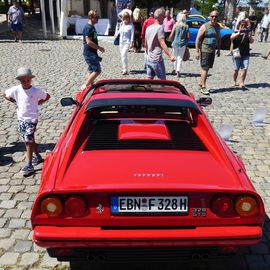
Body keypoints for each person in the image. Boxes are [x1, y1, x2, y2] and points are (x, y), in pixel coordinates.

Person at [3, 67, 50, 176]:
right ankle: (37, 157)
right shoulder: (16, 89)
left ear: (31, 79)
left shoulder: (36, 91)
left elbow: (47, 96)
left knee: (28, 141)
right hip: (21, 119)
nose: (25, 82)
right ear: (20, 81)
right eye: (23, 81)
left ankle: (29, 165)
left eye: (27, 80)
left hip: (32, 119)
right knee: (28, 139)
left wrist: (40, 102)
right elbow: (5, 94)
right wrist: (14, 101)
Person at [145, 8, 176, 80]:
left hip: (148, 58)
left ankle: (148, 91)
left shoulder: (148, 28)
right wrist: (170, 55)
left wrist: (147, 55)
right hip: (157, 59)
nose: (164, 18)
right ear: (159, 17)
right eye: (163, 16)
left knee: (149, 80)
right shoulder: (160, 28)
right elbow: (162, 43)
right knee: (162, 81)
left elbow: (146, 44)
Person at [195, 10, 221, 95]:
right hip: (205, 49)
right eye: (212, 16)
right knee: (205, 68)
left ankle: (200, 82)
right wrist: (197, 51)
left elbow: (218, 38)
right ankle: (203, 86)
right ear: (209, 17)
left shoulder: (217, 26)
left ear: (218, 18)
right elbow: (198, 39)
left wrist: (219, 49)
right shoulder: (204, 26)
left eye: (215, 16)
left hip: (212, 50)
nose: (214, 18)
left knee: (207, 67)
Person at [82, 10, 105, 89]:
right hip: (89, 53)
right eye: (96, 17)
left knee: (91, 70)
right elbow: (88, 42)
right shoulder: (88, 28)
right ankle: (85, 86)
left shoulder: (91, 27)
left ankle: (90, 86)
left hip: (91, 53)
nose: (98, 19)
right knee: (97, 70)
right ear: (91, 18)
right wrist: (99, 48)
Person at [230, 20, 254, 89]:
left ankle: (242, 82)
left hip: (245, 53)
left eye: (245, 25)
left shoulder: (248, 33)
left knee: (244, 68)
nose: (243, 27)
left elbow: (252, 42)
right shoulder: (235, 32)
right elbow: (231, 38)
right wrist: (239, 33)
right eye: (242, 25)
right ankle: (234, 81)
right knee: (236, 69)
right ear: (239, 26)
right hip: (237, 53)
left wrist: (249, 36)